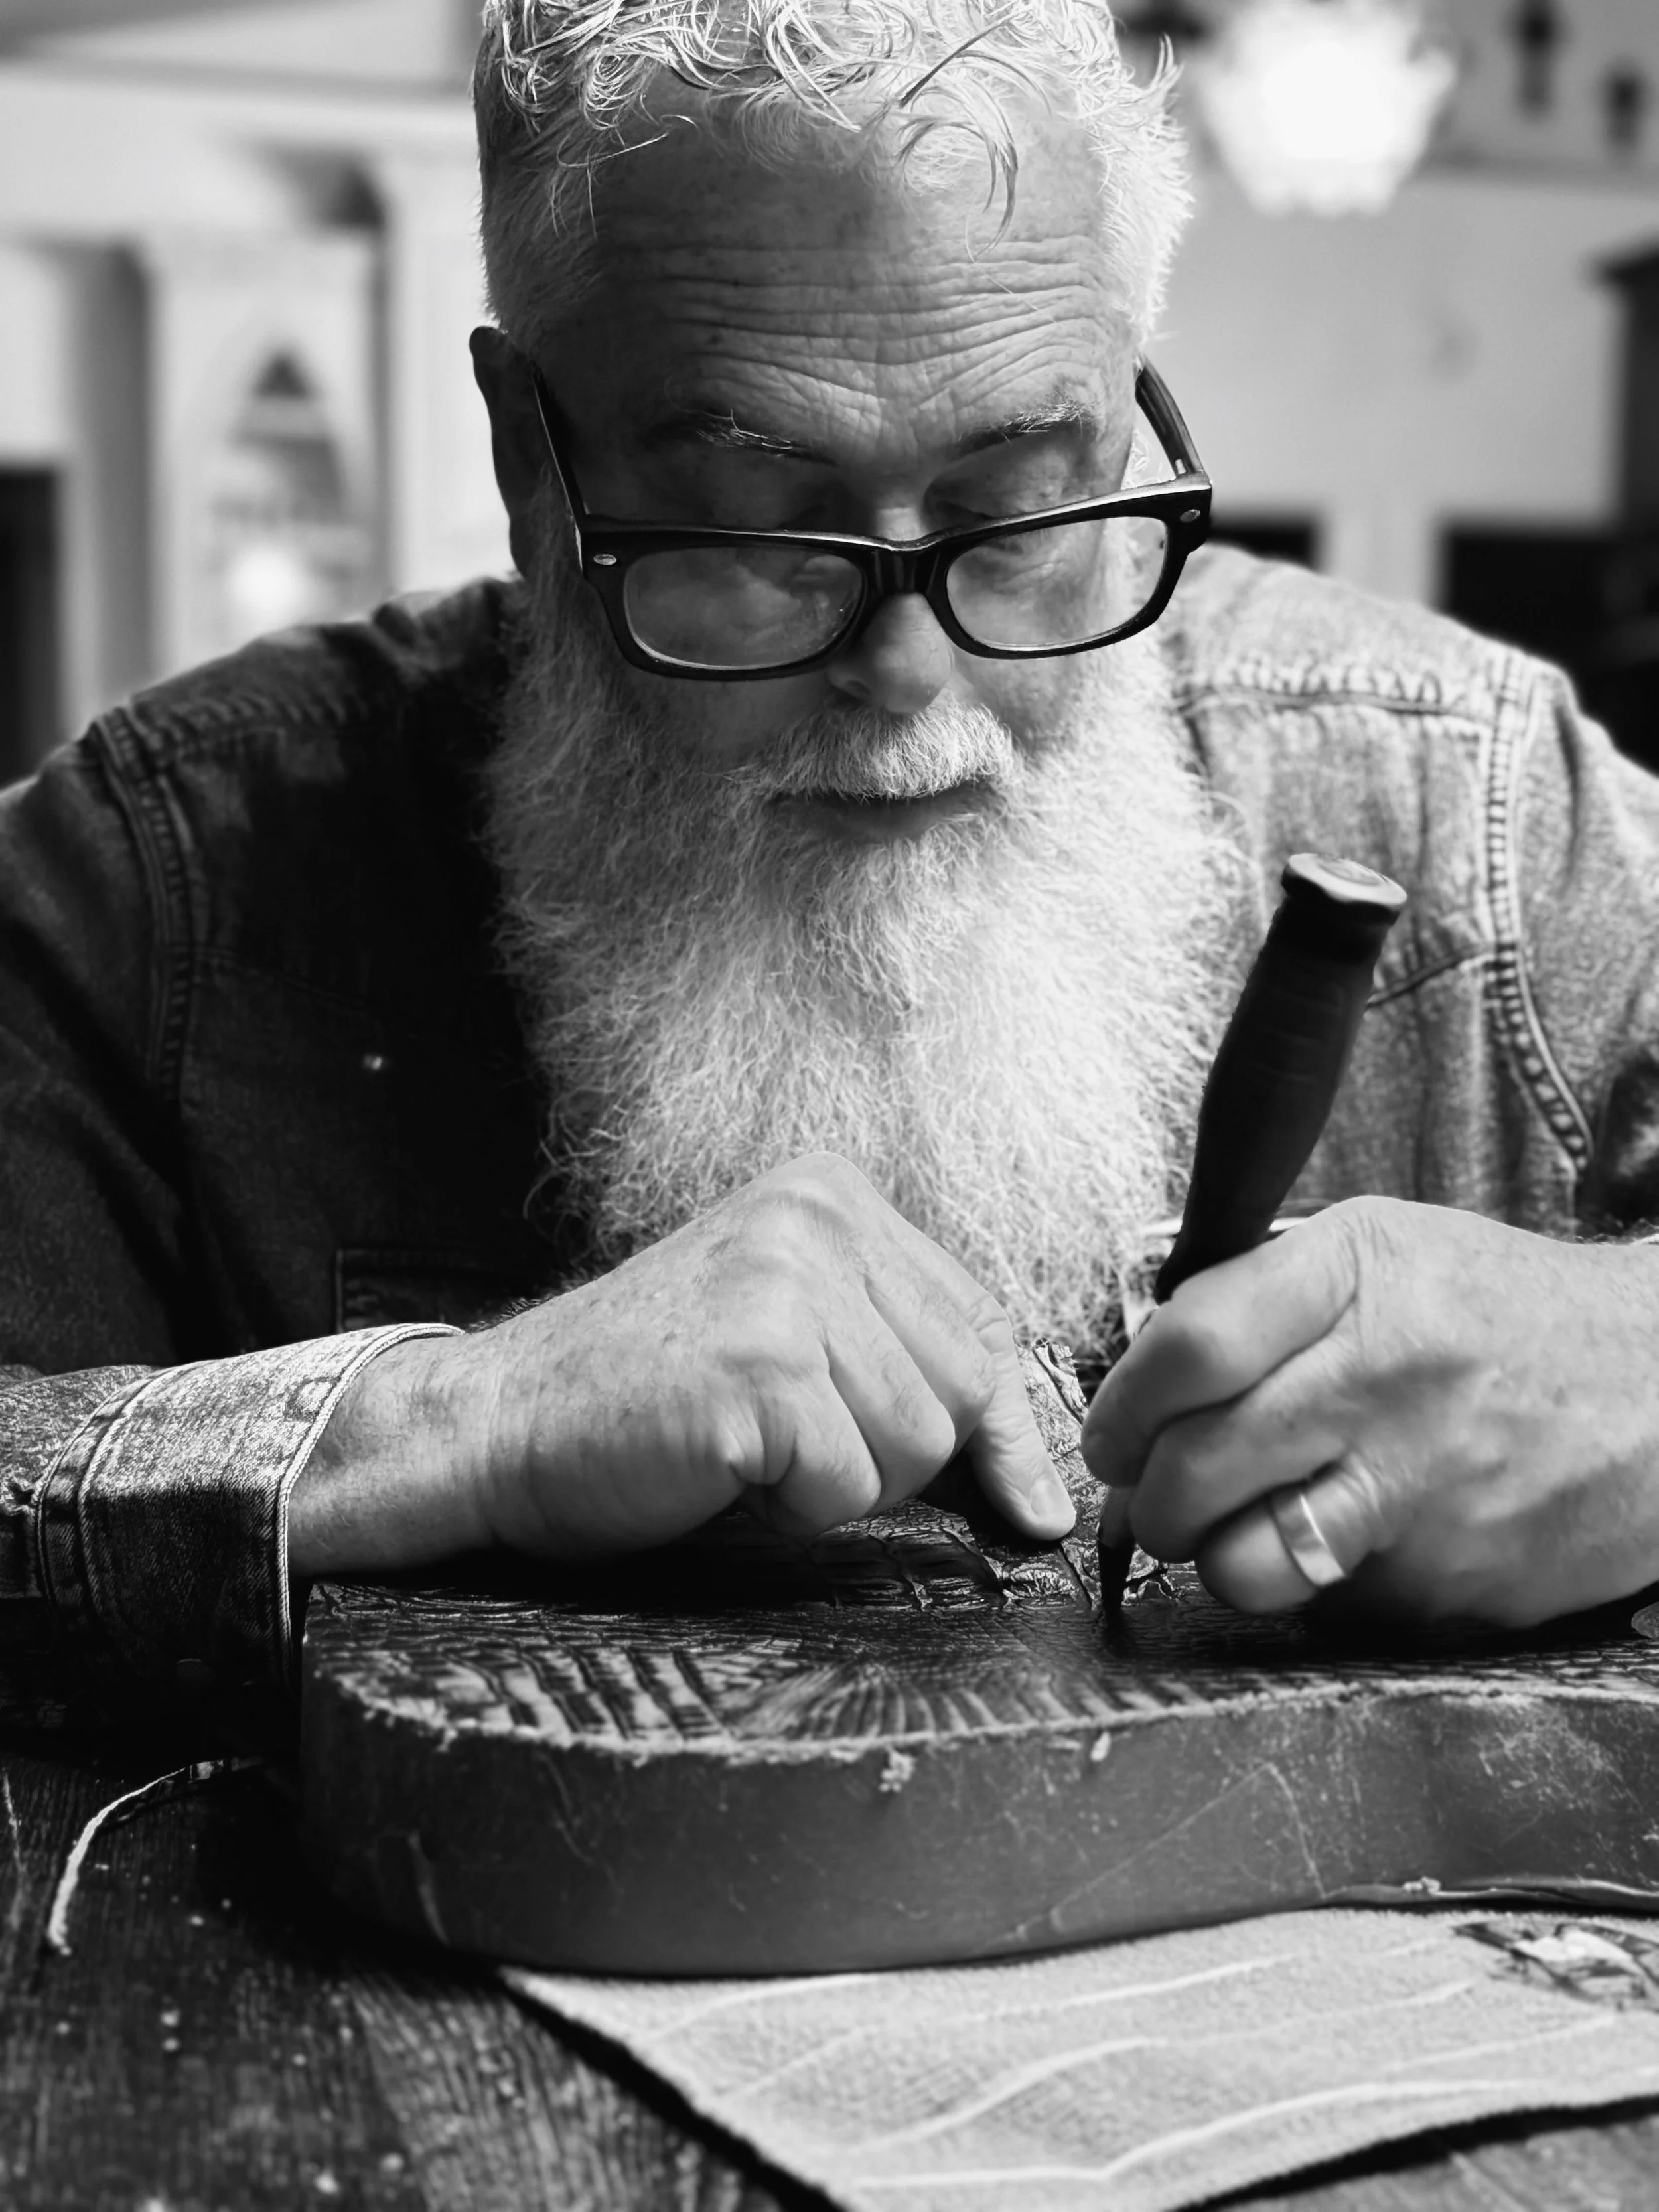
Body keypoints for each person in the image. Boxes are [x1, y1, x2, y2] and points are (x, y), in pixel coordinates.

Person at [5, 0, 1659, 1735]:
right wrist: (455, 1425)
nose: (910, 681)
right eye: (760, 534)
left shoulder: (1467, 803)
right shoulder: (154, 886)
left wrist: (1629, 1361)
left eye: (1020, 511)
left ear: (1127, 408)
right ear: (525, 458)